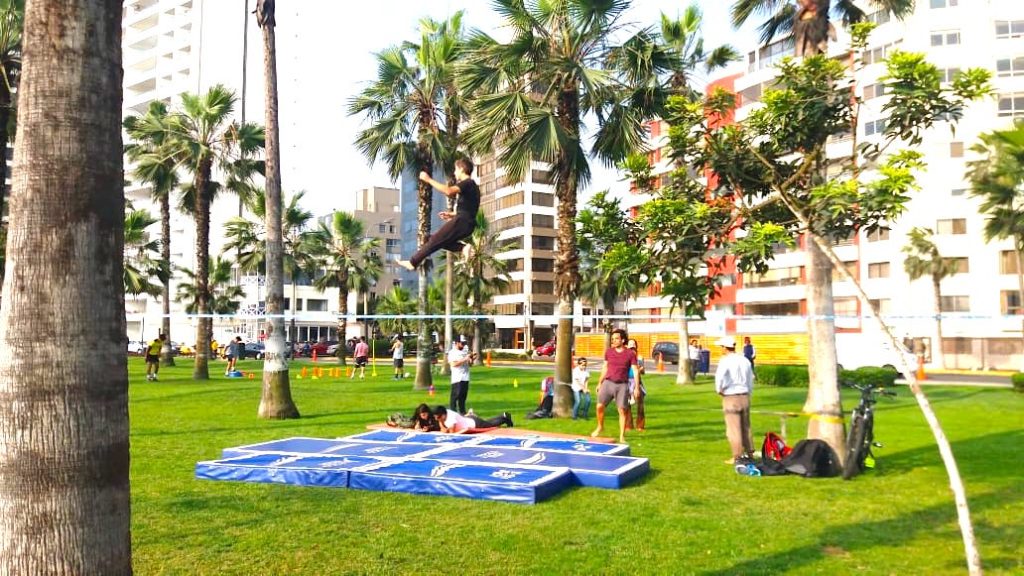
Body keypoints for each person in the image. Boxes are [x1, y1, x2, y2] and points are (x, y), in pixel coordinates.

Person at [396, 158, 480, 271]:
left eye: (455, 170)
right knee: (435, 240)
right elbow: (470, 209)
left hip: (462, 222)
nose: (454, 173)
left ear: (461, 169)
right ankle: (464, 248)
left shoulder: (467, 183)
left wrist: (428, 179)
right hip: (468, 224)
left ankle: (413, 262)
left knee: (434, 241)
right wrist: (452, 214)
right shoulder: (474, 187)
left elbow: (449, 191)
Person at [591, 328, 641, 444]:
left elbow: (635, 371)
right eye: (612, 339)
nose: (613, 341)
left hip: (622, 385)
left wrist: (636, 388)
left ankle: (622, 436)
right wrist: (599, 382)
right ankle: (600, 427)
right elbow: (605, 368)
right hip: (608, 383)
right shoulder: (609, 352)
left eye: (616, 338)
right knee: (599, 406)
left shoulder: (630, 354)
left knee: (622, 411)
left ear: (623, 340)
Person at [714, 335, 755, 463]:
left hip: (731, 396)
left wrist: (719, 389)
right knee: (746, 426)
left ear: (725, 348)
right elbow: (750, 378)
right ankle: (750, 453)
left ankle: (737, 456)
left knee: (733, 428)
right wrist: (749, 392)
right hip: (744, 395)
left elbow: (719, 377)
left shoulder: (725, 361)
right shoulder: (745, 360)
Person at [433, 405, 512, 434]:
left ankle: (504, 418)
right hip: (469, 420)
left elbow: (452, 433)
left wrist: (446, 430)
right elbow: (442, 427)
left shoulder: (451, 418)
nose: (438, 420)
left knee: (490, 425)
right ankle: (503, 415)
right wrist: (444, 428)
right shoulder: (445, 413)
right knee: (487, 422)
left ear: (443, 415)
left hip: (474, 423)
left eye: (439, 418)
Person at [447, 335, 475, 414]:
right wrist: (465, 359)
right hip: (457, 378)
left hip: (465, 377)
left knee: (463, 397)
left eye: (464, 343)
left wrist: (471, 359)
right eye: (462, 343)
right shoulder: (452, 353)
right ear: (457, 343)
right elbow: (453, 364)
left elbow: (470, 365)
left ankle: (463, 413)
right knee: (455, 396)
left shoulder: (465, 352)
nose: (463, 345)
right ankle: (453, 412)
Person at [625, 338, 647, 431]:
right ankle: (628, 425)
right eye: (630, 344)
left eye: (634, 344)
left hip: (637, 382)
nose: (632, 345)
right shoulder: (624, 357)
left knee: (640, 404)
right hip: (626, 381)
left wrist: (641, 370)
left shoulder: (640, 357)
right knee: (627, 404)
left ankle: (640, 426)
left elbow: (643, 372)